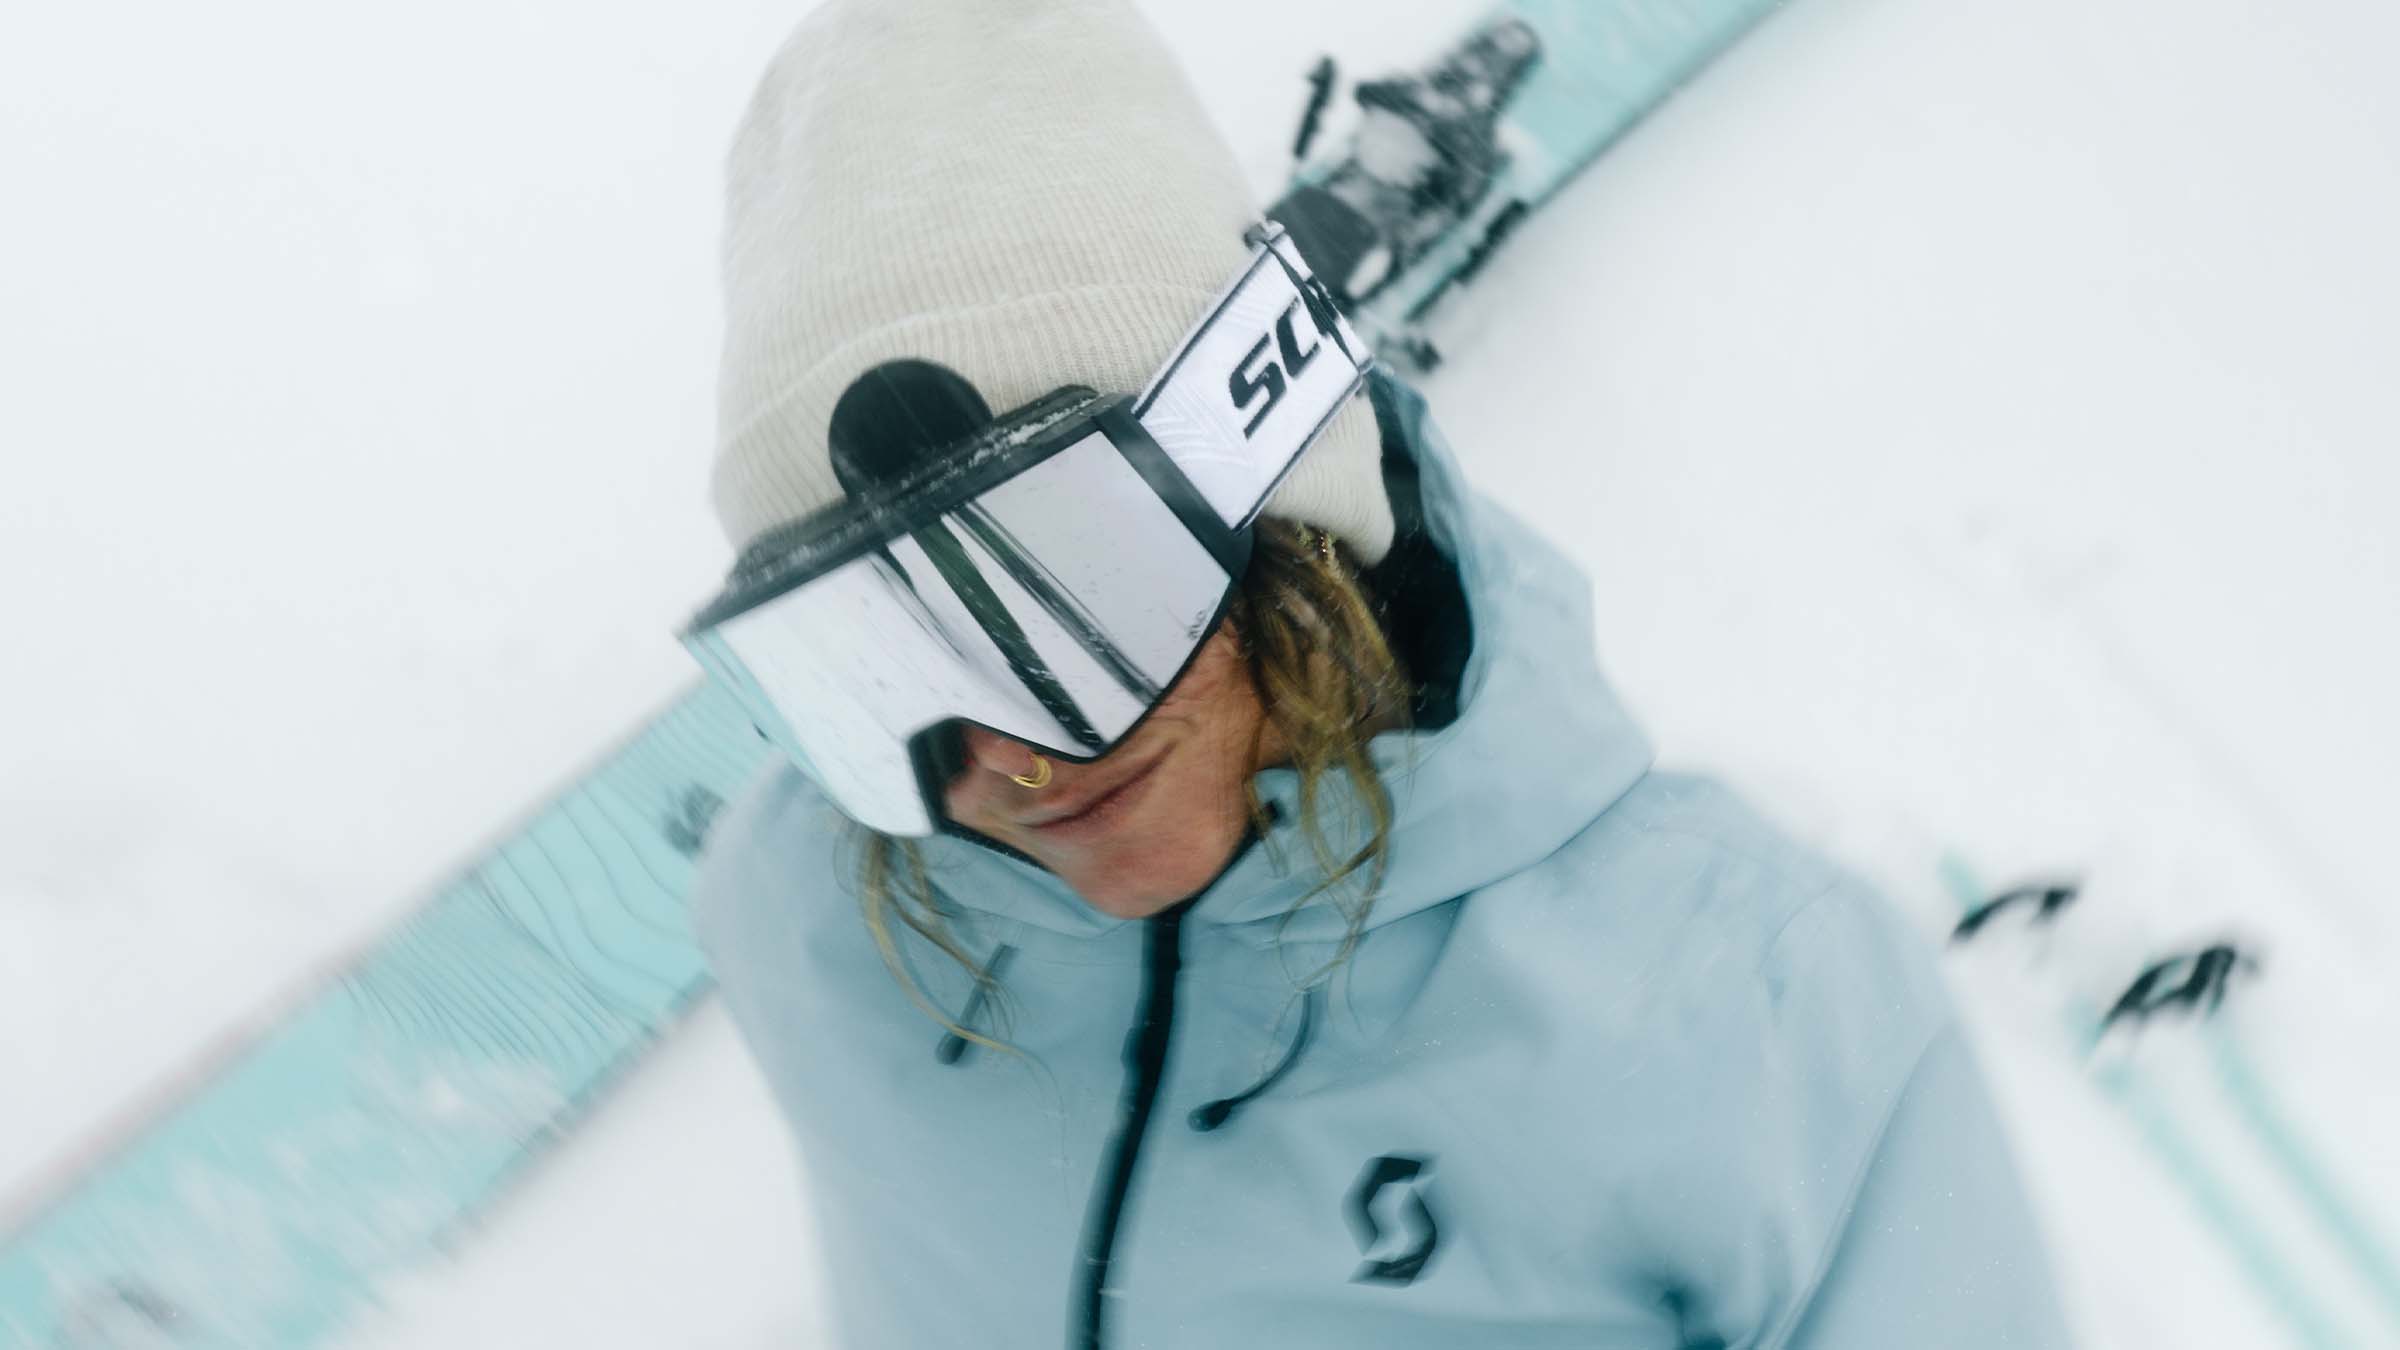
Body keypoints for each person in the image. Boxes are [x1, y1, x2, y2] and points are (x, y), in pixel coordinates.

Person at [686, 2, 2075, 1347]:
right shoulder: (803, 913)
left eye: (1067, 599)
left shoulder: (1750, 1010)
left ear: (1266, 487)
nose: (1001, 757)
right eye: (875, 647)